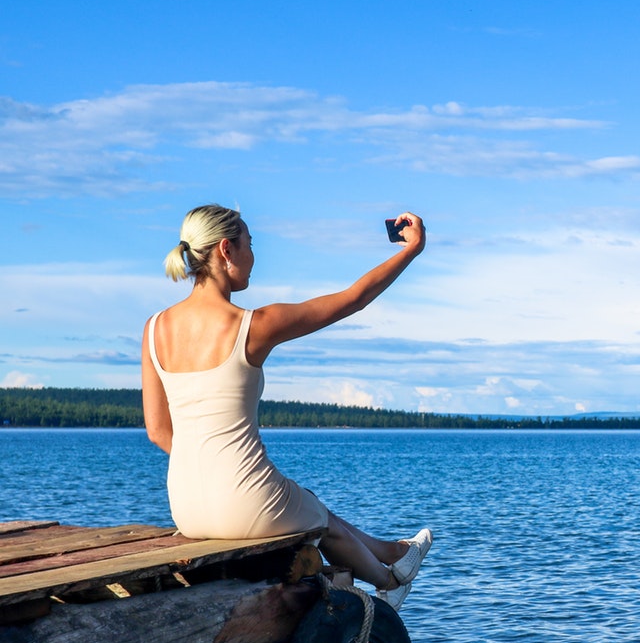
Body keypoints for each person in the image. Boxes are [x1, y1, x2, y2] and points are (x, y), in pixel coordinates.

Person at [141, 204, 431, 610]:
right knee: (318, 517)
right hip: (244, 502)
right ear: (227, 249)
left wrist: (210, 462)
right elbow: (352, 300)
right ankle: (389, 581)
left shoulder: (154, 329)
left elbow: (157, 430)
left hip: (186, 506)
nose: (253, 257)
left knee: (304, 501)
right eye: (250, 244)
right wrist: (410, 251)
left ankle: (391, 553)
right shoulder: (252, 325)